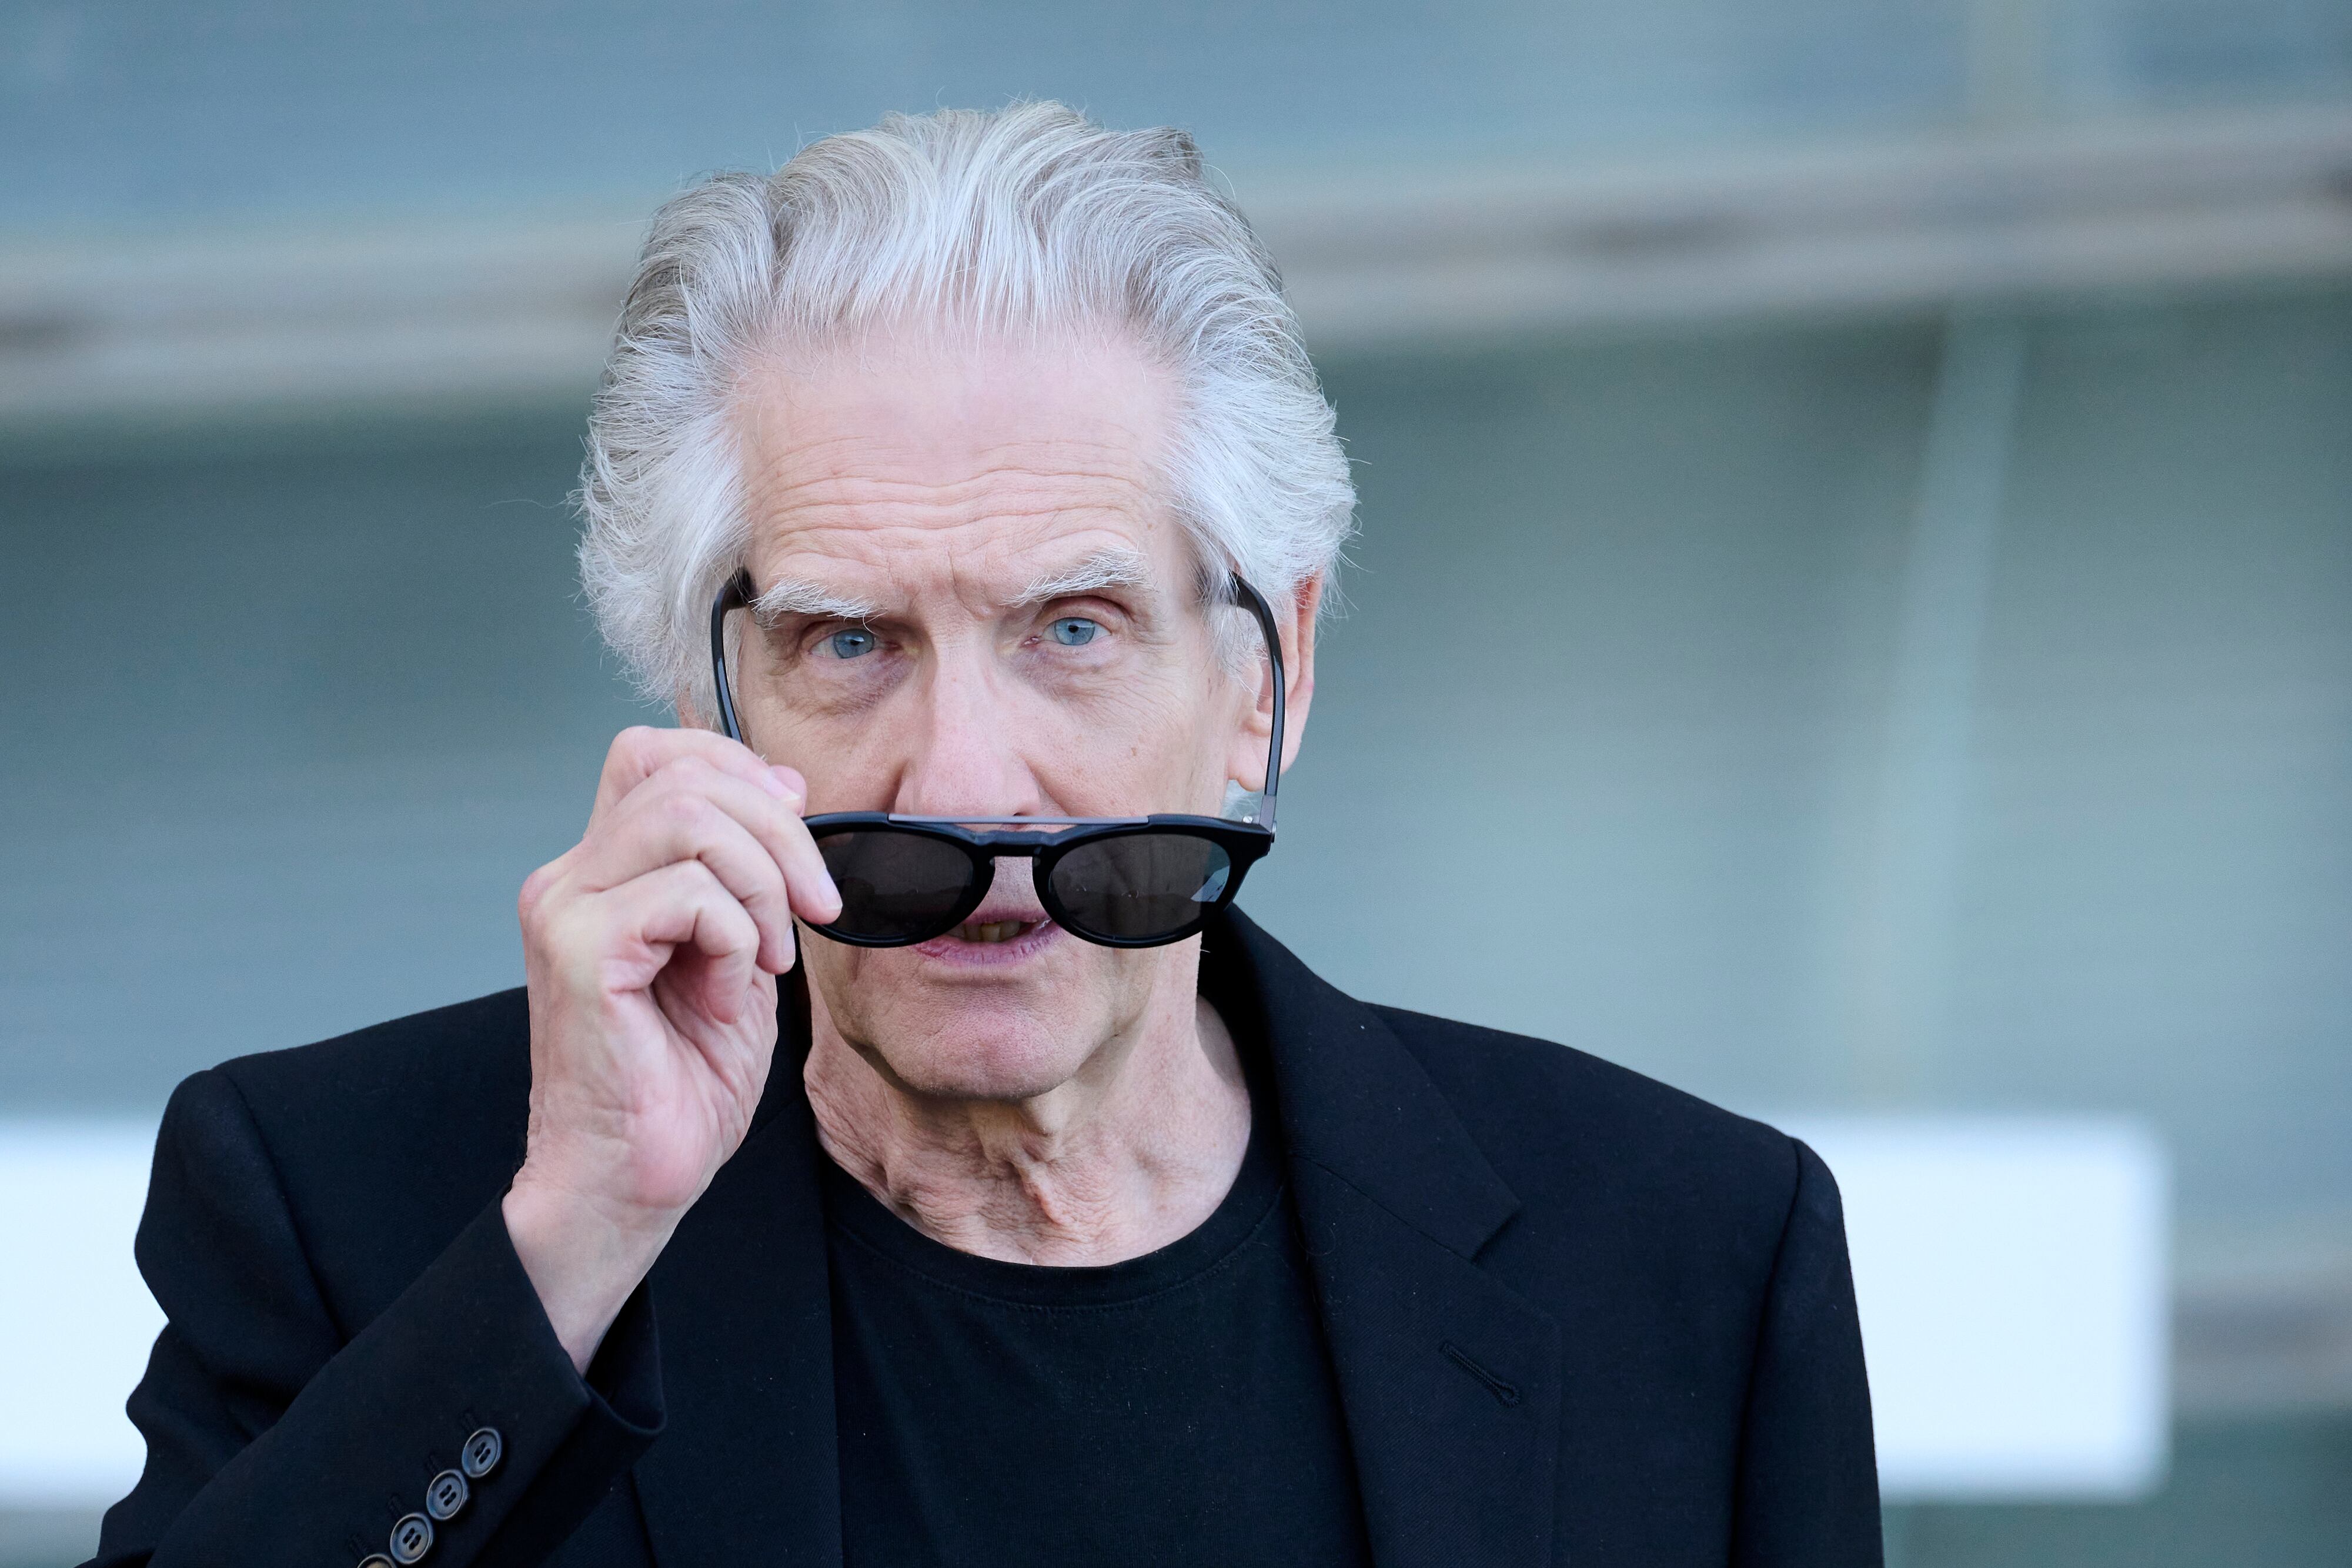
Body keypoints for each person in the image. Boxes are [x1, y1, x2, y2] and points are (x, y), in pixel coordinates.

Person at [90, 103, 1880, 1568]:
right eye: (847, 639)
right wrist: (569, 1246)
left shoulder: (1689, 1262)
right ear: (715, 709)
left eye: (1075, 628)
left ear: (1271, 676)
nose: (965, 774)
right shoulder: (351, 1206)